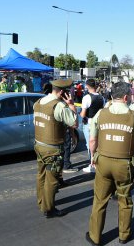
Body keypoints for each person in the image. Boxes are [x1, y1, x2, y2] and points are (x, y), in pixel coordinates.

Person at [86, 82, 134, 245]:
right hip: (124, 165)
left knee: (99, 200)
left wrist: (93, 157)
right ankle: (124, 235)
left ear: (112, 96)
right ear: (126, 97)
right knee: (125, 200)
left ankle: (95, 236)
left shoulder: (100, 114)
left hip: (103, 162)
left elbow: (92, 140)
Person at [33, 78, 78, 218]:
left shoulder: (39, 102)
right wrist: (71, 105)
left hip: (39, 144)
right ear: (62, 93)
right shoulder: (59, 106)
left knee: (41, 175)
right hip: (52, 148)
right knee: (52, 179)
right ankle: (49, 209)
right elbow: (74, 123)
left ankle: (42, 202)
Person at [80, 79, 105, 173]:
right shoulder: (101, 97)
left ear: (87, 86)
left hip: (89, 123)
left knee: (90, 145)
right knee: (97, 145)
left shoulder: (86, 97)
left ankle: (92, 165)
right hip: (99, 123)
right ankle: (97, 164)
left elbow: (83, 114)